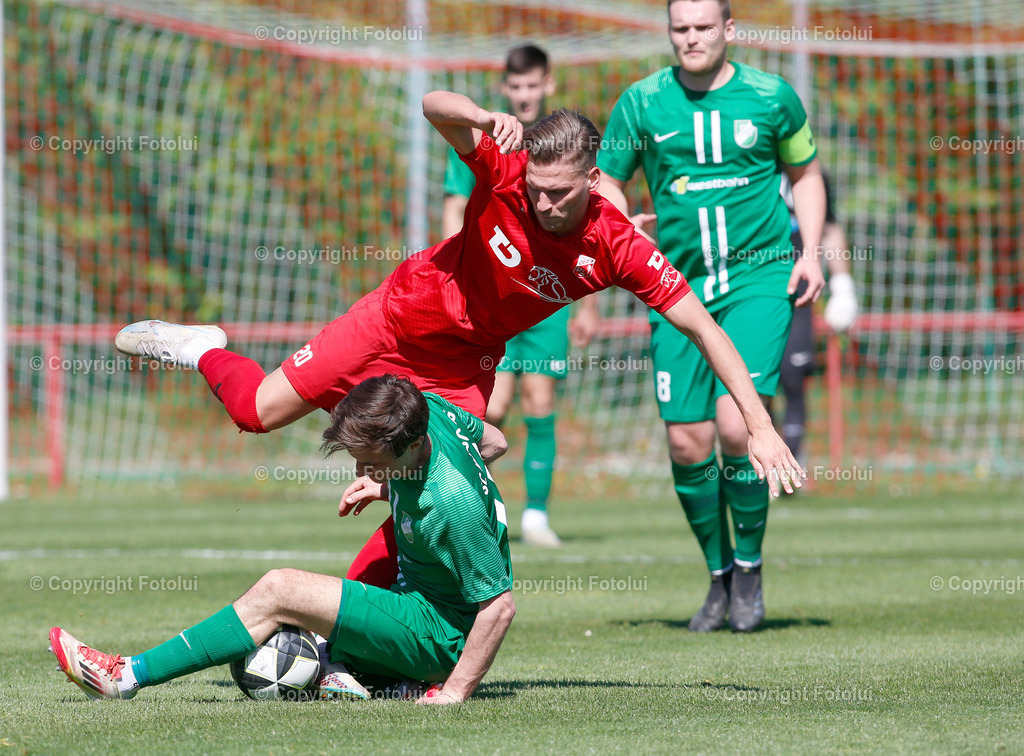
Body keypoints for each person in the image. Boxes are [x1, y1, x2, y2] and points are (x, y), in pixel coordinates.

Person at [116, 91, 803, 592]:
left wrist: (761, 427)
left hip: (462, 364)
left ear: (594, 182)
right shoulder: (504, 168)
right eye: (536, 190)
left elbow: (705, 327)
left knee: (434, 490)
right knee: (253, 414)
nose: (543, 204)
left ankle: (351, 634)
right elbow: (431, 103)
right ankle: (201, 346)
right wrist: (476, 117)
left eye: (561, 194)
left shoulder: (618, 245)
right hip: (394, 317)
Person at [50, 375, 515, 705]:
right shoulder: (425, 409)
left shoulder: (454, 503)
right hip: (413, 597)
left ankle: (124, 677)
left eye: (370, 461)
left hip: (439, 634)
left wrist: (454, 693)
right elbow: (494, 442)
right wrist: (390, 485)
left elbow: (499, 608)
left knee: (280, 589)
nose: (359, 471)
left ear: (413, 446)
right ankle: (356, 672)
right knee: (306, 605)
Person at [597, 0, 826, 632]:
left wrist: (811, 251)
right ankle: (718, 576)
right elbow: (607, 179)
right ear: (669, 33)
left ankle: (749, 570)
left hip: (758, 280)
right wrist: (618, 219)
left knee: (735, 426)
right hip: (674, 288)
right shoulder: (641, 103)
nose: (691, 38)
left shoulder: (772, 96)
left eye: (704, 27)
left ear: (729, 30)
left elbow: (805, 174)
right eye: (681, 28)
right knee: (686, 440)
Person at [442, 44, 598, 548]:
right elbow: (454, 209)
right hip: (493, 295)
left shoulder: (563, 142)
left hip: (548, 298)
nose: (525, 95)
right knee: (493, 404)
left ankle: (535, 514)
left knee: (540, 398)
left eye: (533, 86)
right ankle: (473, 506)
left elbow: (595, 234)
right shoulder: (491, 136)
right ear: (505, 88)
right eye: (516, 87)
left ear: (548, 85)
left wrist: (588, 306)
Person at [777, 172, 858, 464]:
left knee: (793, 376)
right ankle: (761, 462)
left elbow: (830, 228)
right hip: (753, 287)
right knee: (753, 379)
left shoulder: (812, 175)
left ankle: (791, 465)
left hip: (799, 293)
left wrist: (843, 286)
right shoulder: (744, 167)